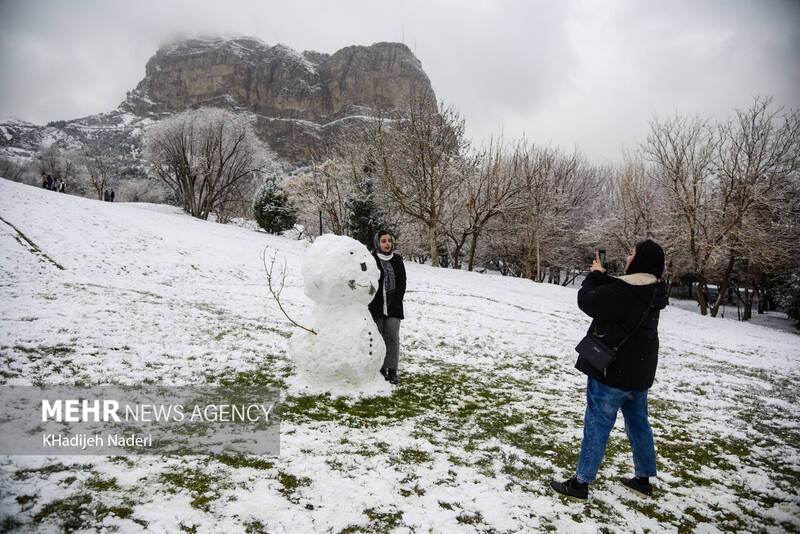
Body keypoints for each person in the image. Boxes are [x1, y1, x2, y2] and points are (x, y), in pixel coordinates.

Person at [550, 239, 669, 502]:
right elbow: (618, 299)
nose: (628, 257)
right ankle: (643, 478)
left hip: (613, 371)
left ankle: (580, 484)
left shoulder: (624, 291)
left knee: (598, 424)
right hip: (640, 371)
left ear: (640, 260)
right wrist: (604, 278)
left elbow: (588, 301)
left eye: (632, 254)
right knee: (639, 424)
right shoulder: (654, 289)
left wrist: (594, 276)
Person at [368, 230, 406, 385]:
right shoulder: (371, 260)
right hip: (376, 306)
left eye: (389, 241)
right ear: (378, 243)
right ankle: (380, 368)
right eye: (383, 241)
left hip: (393, 307)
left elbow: (402, 281)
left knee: (392, 337)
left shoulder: (397, 260)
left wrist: (397, 300)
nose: (387, 243)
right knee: (378, 337)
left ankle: (392, 370)